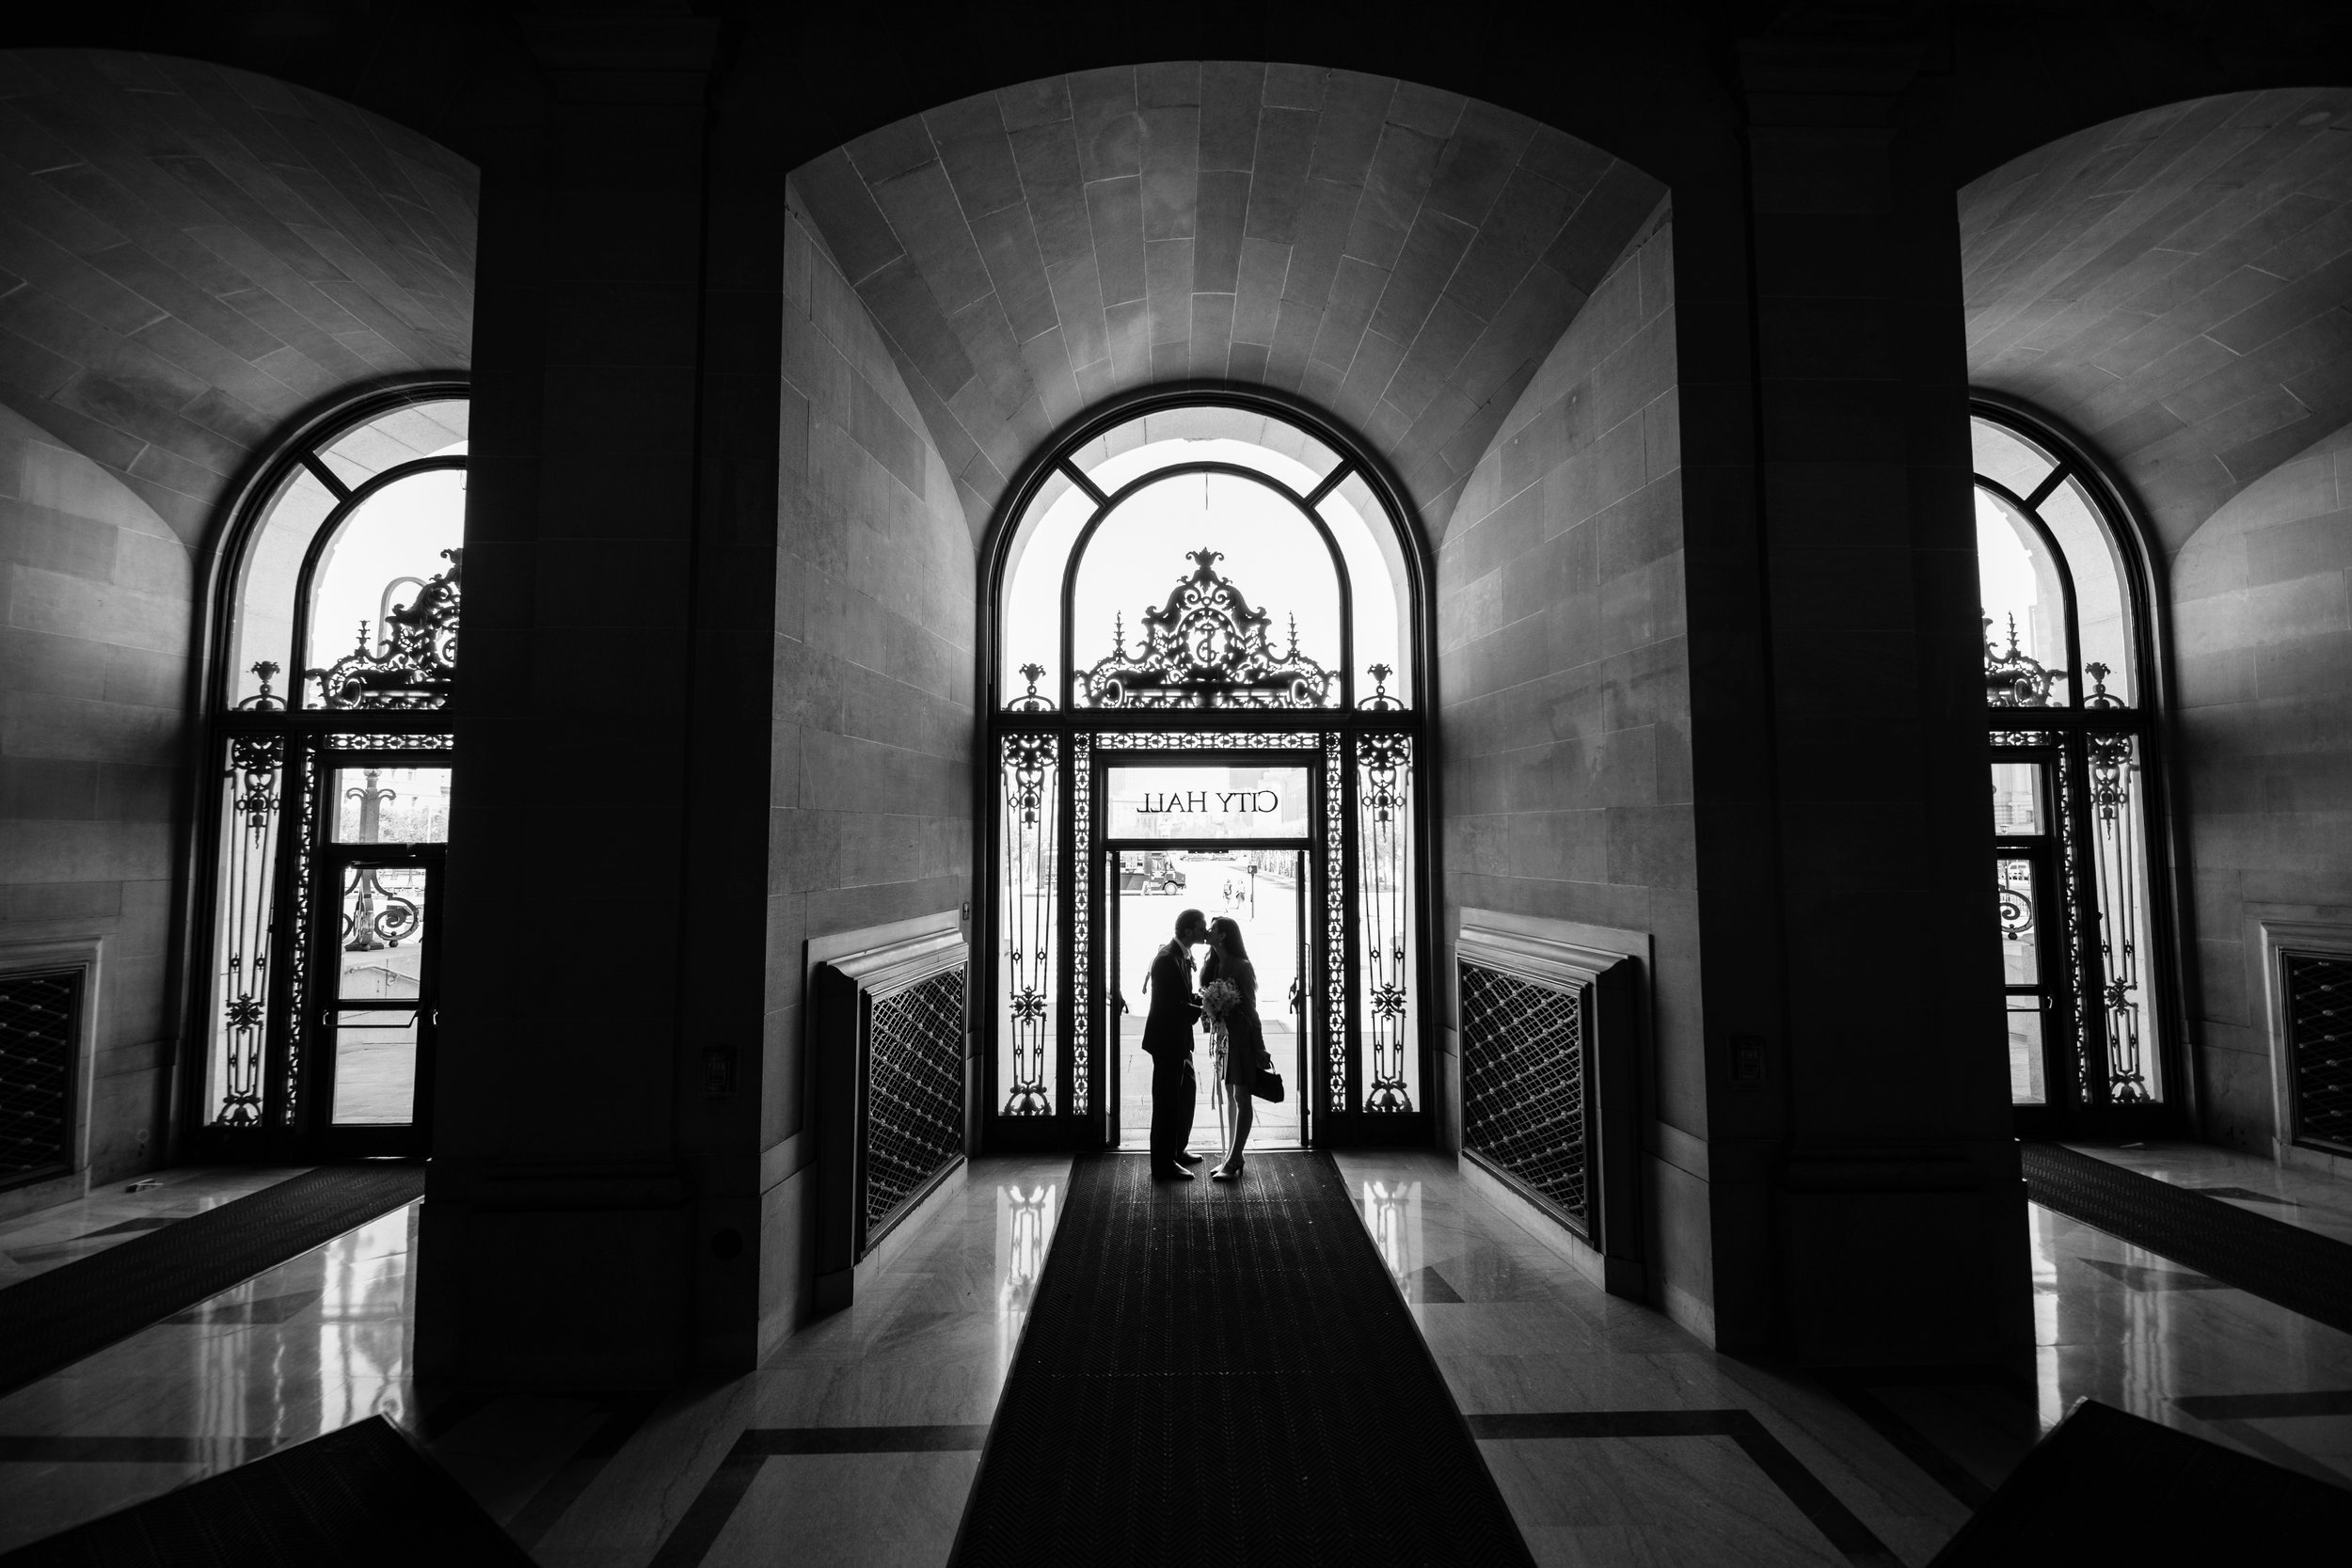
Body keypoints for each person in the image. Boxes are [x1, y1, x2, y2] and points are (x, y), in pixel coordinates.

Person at [1141, 908, 1209, 1180]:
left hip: (1179, 1040)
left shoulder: (1181, 954)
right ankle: (1162, 1164)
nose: (1205, 931)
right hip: (1167, 1041)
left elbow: (1182, 995)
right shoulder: (1167, 959)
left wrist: (1200, 997)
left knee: (1185, 1096)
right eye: (1202, 926)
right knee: (1167, 1103)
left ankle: (1177, 1150)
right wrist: (1203, 1006)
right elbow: (1172, 1006)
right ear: (1189, 930)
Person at [1203, 915, 1263, 1180]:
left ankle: (1236, 1157)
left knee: (1242, 1097)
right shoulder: (1215, 963)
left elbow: (1250, 1008)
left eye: (1212, 928)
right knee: (1229, 1094)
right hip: (1224, 1037)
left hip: (1242, 1038)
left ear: (1223, 935)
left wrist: (1260, 1046)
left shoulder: (1241, 966)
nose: (1208, 931)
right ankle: (1231, 1154)